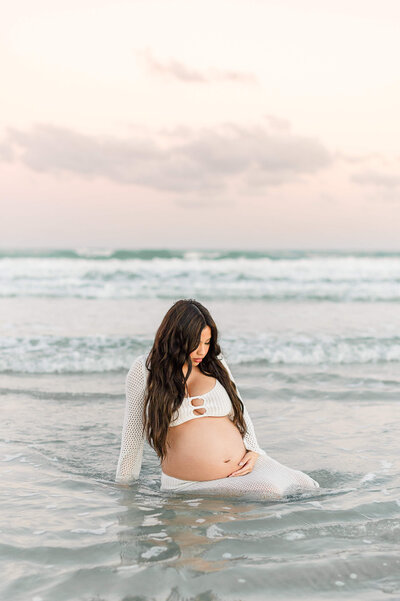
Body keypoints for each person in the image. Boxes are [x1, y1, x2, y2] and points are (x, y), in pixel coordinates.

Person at [115, 299, 320, 499]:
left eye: (207, 342)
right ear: (176, 339)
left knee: (308, 485)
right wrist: (125, 486)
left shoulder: (214, 363)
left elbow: (240, 411)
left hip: (243, 465)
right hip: (190, 483)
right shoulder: (145, 369)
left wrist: (254, 450)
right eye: (195, 343)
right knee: (268, 492)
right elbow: (132, 435)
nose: (202, 351)